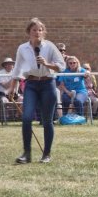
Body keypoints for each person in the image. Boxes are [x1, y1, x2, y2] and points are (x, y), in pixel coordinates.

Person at [10, 17, 66, 164]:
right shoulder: (22, 48)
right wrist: (12, 87)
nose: (37, 32)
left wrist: (47, 64)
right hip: (31, 85)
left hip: (48, 84)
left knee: (47, 120)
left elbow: (62, 66)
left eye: (40, 30)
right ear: (29, 31)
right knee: (26, 117)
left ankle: (46, 154)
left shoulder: (50, 46)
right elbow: (17, 68)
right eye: (34, 30)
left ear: (43, 32)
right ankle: (26, 154)